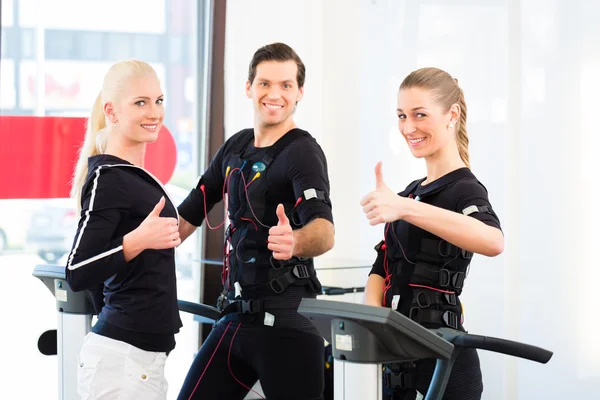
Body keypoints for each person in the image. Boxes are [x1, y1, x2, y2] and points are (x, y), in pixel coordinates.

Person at [176, 42, 335, 400]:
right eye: (264, 83)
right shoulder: (236, 147)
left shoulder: (303, 152)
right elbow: (188, 214)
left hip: (287, 325)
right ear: (249, 87)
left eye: (285, 85)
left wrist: (295, 240)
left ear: (299, 92)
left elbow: (324, 231)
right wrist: (135, 244)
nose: (274, 94)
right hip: (235, 320)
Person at [360, 67, 504, 400]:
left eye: (420, 115)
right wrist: (371, 323)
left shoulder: (465, 189)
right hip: (396, 360)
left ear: (451, 115)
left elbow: (493, 240)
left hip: (444, 364)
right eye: (401, 116)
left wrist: (405, 209)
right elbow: (382, 265)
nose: (408, 127)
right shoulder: (410, 193)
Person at [65, 59, 182, 400]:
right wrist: (136, 241)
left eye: (158, 101)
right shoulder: (108, 176)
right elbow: (77, 271)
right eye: (140, 103)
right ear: (112, 112)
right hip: (123, 361)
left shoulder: (131, 176)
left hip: (141, 361)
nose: (154, 112)